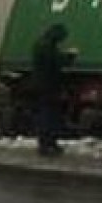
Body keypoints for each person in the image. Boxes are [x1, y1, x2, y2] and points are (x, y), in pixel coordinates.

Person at [31, 23, 76, 156]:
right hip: (48, 87)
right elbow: (57, 61)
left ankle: (48, 143)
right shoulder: (47, 47)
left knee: (48, 115)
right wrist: (70, 56)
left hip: (43, 86)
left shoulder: (42, 44)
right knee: (49, 116)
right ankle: (46, 144)